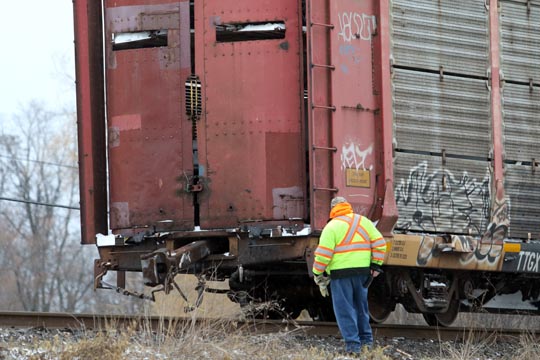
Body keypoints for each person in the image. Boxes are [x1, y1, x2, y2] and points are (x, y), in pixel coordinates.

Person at [312, 196, 387, 354]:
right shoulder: (364, 222)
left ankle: (353, 347)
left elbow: (323, 255)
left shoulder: (331, 227)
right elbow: (380, 243)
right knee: (361, 308)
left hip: (341, 275)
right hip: (363, 273)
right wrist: (376, 265)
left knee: (345, 310)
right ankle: (367, 344)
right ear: (347, 206)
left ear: (333, 209)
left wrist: (317, 273)